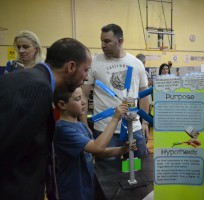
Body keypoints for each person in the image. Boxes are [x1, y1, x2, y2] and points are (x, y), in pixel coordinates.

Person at [0, 38, 92, 200]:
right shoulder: (38, 87)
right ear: (71, 67)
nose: (85, 78)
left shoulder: (30, 79)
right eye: (85, 70)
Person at [81, 24, 149, 160]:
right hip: (105, 130)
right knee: (108, 174)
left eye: (107, 41)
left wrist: (145, 123)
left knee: (141, 170)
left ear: (120, 41)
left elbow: (144, 95)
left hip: (133, 127)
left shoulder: (136, 63)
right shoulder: (94, 62)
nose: (102, 45)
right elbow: (83, 95)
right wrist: (84, 125)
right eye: (101, 41)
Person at [53, 87, 135, 200]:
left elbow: (98, 153)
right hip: (73, 192)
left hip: (87, 188)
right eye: (77, 99)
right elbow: (98, 147)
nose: (83, 102)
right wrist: (115, 118)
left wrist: (122, 149)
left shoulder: (81, 126)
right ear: (62, 105)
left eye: (82, 97)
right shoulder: (62, 130)